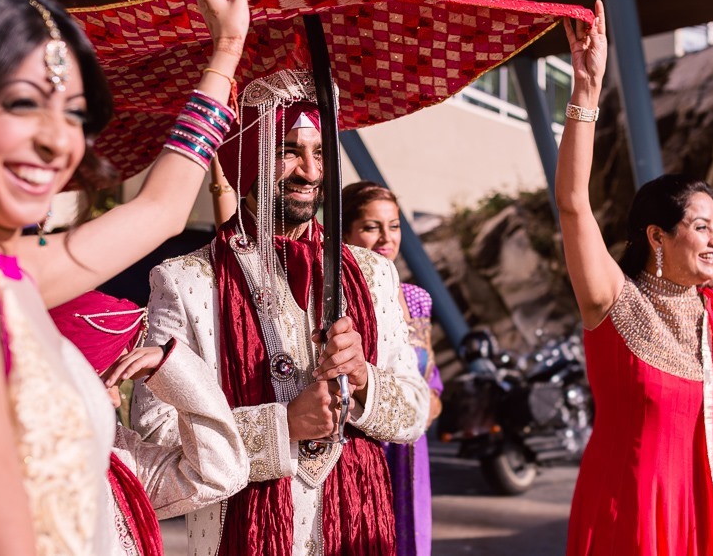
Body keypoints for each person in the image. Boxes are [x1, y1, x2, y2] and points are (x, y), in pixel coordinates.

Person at [0, 0, 257, 554]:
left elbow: (160, 211)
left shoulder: (14, 272)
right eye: (25, 104)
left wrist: (227, 49)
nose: (57, 140)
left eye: (75, 112)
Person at [131, 69, 430, 556]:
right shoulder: (186, 280)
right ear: (247, 157)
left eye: (319, 154)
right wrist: (284, 424)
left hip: (361, 528)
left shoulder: (373, 272)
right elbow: (157, 440)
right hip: (240, 532)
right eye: (288, 151)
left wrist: (361, 381)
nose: (310, 172)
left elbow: (415, 413)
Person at [556, 1, 713, 555]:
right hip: (626, 522)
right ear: (657, 236)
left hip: (712, 529)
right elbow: (573, 204)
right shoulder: (612, 300)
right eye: (702, 227)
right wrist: (586, 90)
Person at [50, 290, 253, 555]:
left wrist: (170, 367)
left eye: (118, 384)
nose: (115, 401)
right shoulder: (1, 465)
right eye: (103, 381)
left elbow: (220, 473)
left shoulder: (119, 459)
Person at [342, 181, 443, 556]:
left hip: (412, 451)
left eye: (394, 225)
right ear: (346, 232)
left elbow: (429, 372)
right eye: (372, 227)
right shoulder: (336, 297)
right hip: (366, 448)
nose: (386, 238)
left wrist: (432, 398)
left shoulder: (417, 299)